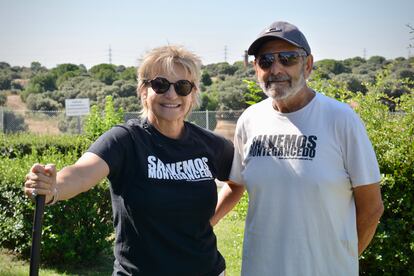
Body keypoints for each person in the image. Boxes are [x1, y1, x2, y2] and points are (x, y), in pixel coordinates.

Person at [24, 45, 234, 276]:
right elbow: (81, 173)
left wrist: (209, 221)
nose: (172, 94)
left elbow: (237, 182)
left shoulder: (212, 145)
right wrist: (53, 187)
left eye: (182, 86)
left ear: (193, 93)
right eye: (160, 84)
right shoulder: (125, 140)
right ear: (144, 90)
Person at [211, 21, 384, 275]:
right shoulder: (249, 120)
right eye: (266, 60)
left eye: (288, 58)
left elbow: (372, 207)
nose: (276, 68)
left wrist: (341, 259)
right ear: (256, 68)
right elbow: (236, 183)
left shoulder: (341, 119)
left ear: (308, 64)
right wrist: (203, 225)